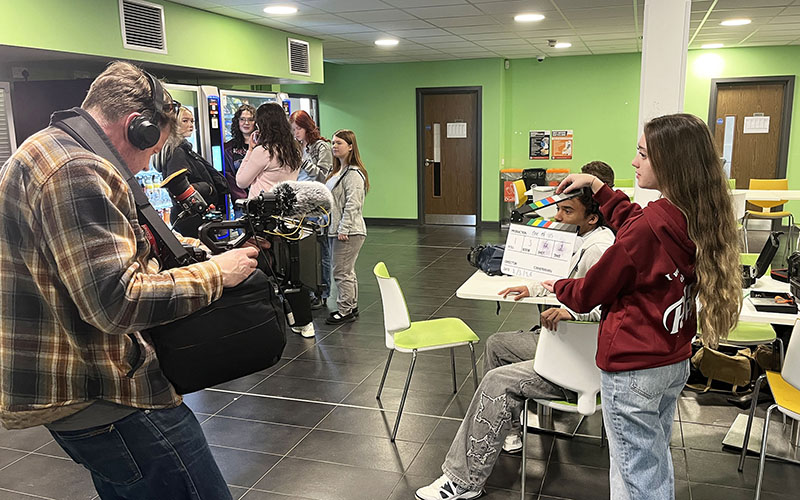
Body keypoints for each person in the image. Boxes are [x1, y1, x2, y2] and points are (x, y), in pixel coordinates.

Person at [0, 61, 260, 500]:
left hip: (82, 391)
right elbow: (117, 301)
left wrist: (183, 248)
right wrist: (217, 272)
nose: (144, 168)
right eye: (151, 148)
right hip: (107, 394)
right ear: (136, 128)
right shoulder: (77, 170)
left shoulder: (48, 148)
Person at [542, 113, 741, 499]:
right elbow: (636, 221)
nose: (634, 162)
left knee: (636, 478)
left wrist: (557, 284)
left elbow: (587, 294)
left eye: (642, 154)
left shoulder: (648, 230)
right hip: (672, 361)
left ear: (669, 163)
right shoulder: (694, 214)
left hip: (633, 370)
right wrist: (598, 186)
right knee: (652, 464)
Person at [415, 167, 616, 500]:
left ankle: (463, 480)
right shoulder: (585, 239)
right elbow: (564, 282)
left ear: (592, 217)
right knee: (498, 345)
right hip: (568, 344)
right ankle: (506, 430)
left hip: (580, 359)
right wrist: (533, 286)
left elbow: (600, 303)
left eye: (567, 210)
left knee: (497, 381)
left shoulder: (599, 249)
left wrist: (570, 311)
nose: (558, 215)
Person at [289, 110, 334, 311]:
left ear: (307, 127)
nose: (295, 133)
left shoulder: (320, 147)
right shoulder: (298, 146)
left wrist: (303, 161)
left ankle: (322, 292)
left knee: (320, 251)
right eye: (293, 129)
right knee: (303, 251)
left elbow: (324, 176)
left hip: (316, 205)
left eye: (298, 128)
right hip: (300, 203)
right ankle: (306, 289)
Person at [161, 106, 229, 238]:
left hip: (193, 217)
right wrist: (206, 189)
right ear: (173, 124)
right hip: (190, 220)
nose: (191, 125)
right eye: (185, 121)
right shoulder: (177, 151)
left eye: (192, 121)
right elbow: (177, 185)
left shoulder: (181, 148)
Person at [325, 129, 369, 325]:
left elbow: (354, 203)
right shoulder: (336, 172)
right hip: (337, 228)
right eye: (333, 142)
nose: (334, 146)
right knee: (346, 271)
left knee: (341, 272)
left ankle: (345, 311)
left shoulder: (353, 174)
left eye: (339, 143)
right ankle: (351, 305)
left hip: (349, 231)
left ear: (350, 147)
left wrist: (344, 228)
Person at [236, 102, 301, 199]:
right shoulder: (295, 149)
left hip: (263, 208)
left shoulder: (263, 151)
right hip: (286, 206)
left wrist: (250, 150)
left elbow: (241, 182)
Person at [224, 104, 256, 216]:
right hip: (241, 205)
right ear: (237, 122)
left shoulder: (263, 146)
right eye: (242, 119)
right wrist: (242, 200)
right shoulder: (228, 148)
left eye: (250, 120)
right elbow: (229, 177)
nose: (246, 123)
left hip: (262, 201)